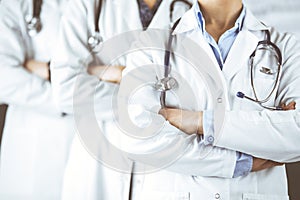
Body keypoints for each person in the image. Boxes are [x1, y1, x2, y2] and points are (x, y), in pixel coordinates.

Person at [119, 0, 300, 199]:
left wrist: (199, 121)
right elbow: (137, 135)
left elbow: (296, 134)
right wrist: (237, 162)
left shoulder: (287, 47)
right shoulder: (151, 45)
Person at [50, 0, 193, 199]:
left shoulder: (191, 9)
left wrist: (108, 73)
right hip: (99, 156)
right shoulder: (88, 5)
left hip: (165, 164)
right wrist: (147, 99)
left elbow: (194, 93)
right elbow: (66, 90)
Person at [0, 0, 75, 199]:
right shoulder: (13, 5)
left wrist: (40, 68)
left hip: (86, 135)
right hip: (33, 139)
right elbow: (4, 77)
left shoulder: (104, 6)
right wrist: (69, 97)